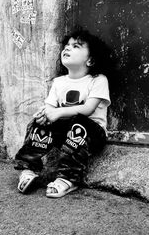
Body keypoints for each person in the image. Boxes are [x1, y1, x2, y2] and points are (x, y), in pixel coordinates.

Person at [14, 28, 111, 198]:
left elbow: (88, 109)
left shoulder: (98, 80)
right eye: (66, 45)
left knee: (79, 126)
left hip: (90, 135)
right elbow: (49, 108)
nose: (67, 48)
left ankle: (68, 179)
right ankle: (28, 170)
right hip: (65, 135)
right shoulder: (58, 82)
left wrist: (57, 112)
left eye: (76, 46)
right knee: (39, 124)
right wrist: (43, 115)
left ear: (90, 60)